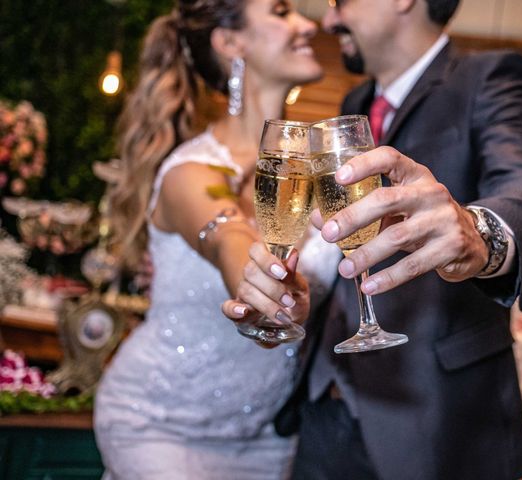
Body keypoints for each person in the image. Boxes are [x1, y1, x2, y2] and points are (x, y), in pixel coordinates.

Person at [223, 0, 522, 479]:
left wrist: (478, 231)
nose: (329, 20)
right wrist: (296, 294)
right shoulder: (353, 105)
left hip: (441, 428)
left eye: (341, 2)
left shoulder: (489, 78)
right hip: (323, 411)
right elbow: (343, 243)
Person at [93, 1, 340, 479]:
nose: (308, 25)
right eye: (282, 11)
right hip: (160, 426)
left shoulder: (315, 175)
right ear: (230, 42)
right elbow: (228, 236)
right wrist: (258, 284)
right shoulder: (192, 173)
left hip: (267, 440)